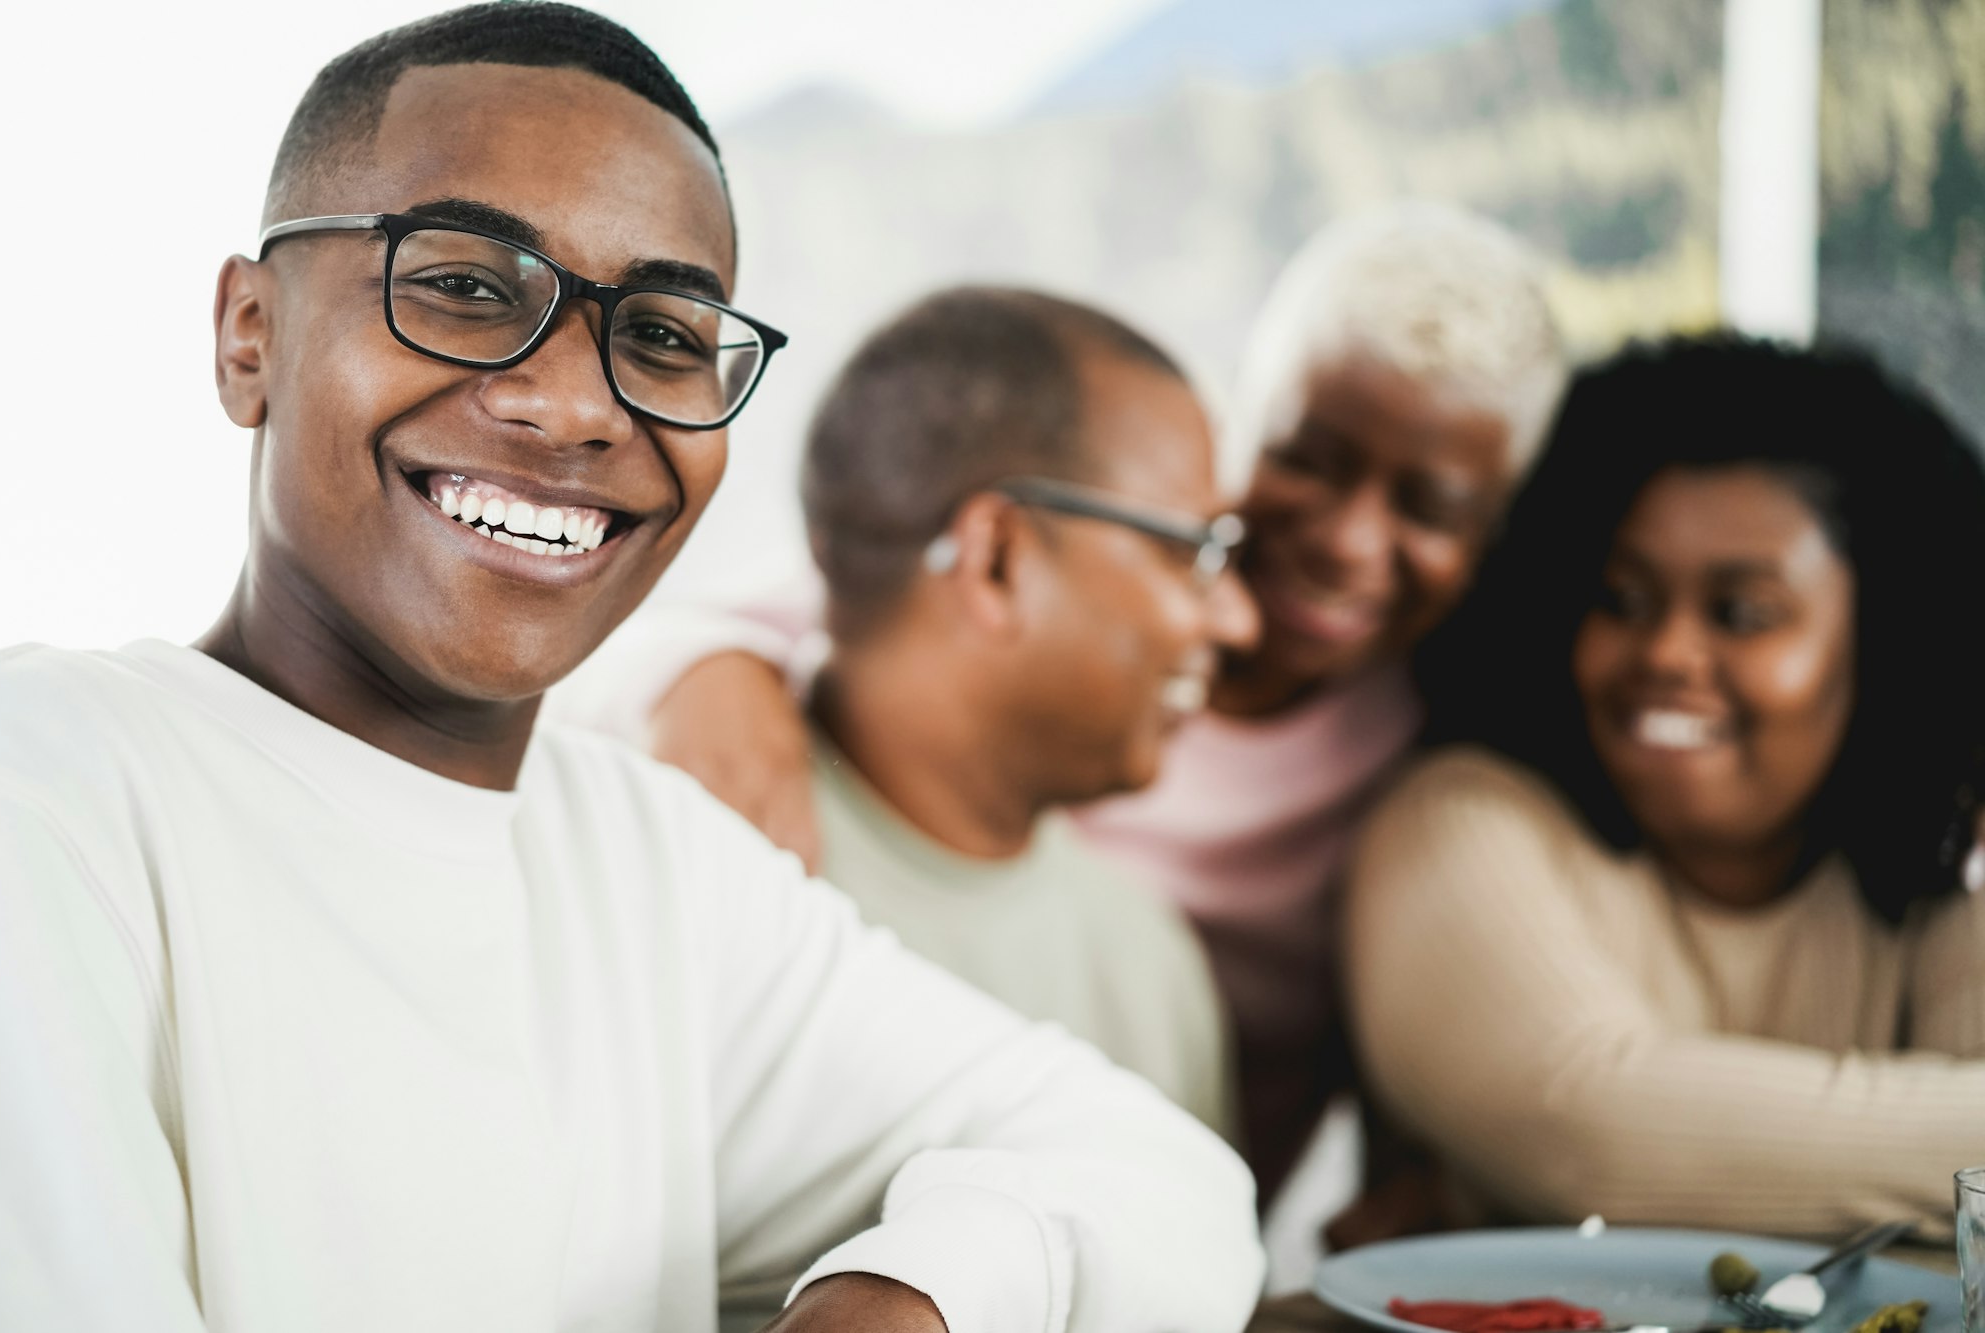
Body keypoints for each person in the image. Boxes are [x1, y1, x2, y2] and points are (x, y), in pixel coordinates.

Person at [0, 6, 1266, 1332]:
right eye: (468, 287)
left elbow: (1164, 1180)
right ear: (250, 334)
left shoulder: (649, 864)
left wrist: (926, 1290)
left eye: (661, 334)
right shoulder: (44, 797)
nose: (579, 404)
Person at [587, 206, 1568, 1206]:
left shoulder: (1422, 754)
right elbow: (825, 585)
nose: (1348, 542)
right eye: (1307, 460)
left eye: (1428, 507)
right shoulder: (977, 590)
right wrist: (699, 669)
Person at [1345, 335, 1985, 1239]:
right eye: (1622, 599)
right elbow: (1590, 1136)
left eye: (1742, 614)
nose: (1666, 654)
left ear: (1884, 637)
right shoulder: (1459, 821)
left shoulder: (1950, 845)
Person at [773, 286, 1252, 1130]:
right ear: (997, 559)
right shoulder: (702, 887)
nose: (1237, 619)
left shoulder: (1147, 961)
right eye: (1191, 552)